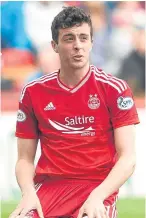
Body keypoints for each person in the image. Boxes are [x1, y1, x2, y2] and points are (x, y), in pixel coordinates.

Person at [10, 6, 139, 218]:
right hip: (50, 189)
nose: (78, 46)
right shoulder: (33, 92)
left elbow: (128, 158)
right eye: (69, 39)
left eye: (83, 38)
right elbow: (24, 159)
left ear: (91, 43)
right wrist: (27, 193)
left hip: (97, 188)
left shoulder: (115, 89)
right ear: (55, 46)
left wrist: (99, 195)